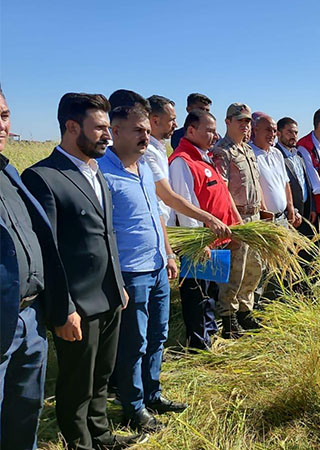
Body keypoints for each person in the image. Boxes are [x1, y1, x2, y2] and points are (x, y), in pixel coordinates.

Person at [22, 93, 142, 449]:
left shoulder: (95, 173)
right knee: (76, 382)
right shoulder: (43, 177)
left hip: (108, 296)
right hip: (77, 306)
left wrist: (118, 283)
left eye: (108, 128)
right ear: (72, 127)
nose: (108, 135)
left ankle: (102, 437)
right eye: (101, 128)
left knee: (102, 376)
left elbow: (108, 235)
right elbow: (49, 251)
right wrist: (64, 309)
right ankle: (80, 443)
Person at [98, 105, 187, 433]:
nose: (145, 137)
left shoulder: (145, 168)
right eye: (138, 130)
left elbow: (156, 216)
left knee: (157, 335)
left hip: (157, 266)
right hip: (131, 273)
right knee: (133, 341)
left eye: (147, 131)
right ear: (116, 131)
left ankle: (153, 393)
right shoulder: (103, 173)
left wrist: (168, 254)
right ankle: (133, 407)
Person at [0, 87, 70, 449]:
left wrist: (56, 308)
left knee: (24, 415)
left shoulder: (11, 175)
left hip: (30, 320)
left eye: (5, 116)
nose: (2, 125)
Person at [168, 110, 240, 349]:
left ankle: (210, 336)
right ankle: (199, 345)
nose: (214, 135)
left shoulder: (204, 157)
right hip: (199, 245)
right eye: (208, 130)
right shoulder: (182, 161)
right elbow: (184, 203)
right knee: (197, 296)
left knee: (210, 293)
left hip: (215, 241)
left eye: (214, 130)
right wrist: (199, 244)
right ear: (190, 130)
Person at [211, 103, 265, 337]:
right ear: (228, 122)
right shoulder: (222, 151)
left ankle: (245, 310)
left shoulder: (248, 150)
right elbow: (222, 190)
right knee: (235, 270)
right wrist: (235, 220)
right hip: (237, 218)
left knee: (254, 267)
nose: (245, 125)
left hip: (253, 216)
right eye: (240, 120)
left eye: (248, 121)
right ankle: (228, 319)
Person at [143, 95, 230, 238]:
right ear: (155, 120)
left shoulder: (159, 149)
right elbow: (169, 197)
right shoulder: (149, 153)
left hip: (167, 229)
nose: (176, 125)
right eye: (171, 120)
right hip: (159, 231)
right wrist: (208, 220)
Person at [250, 112, 296, 226]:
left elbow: (285, 183)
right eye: (268, 130)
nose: (272, 134)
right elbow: (256, 187)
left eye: (274, 131)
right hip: (265, 221)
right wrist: (265, 214)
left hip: (282, 218)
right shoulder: (249, 154)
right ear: (255, 130)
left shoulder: (277, 153)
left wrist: (291, 207)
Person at [276, 117, 315, 236]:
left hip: (305, 212)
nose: (293, 135)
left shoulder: (298, 155)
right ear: (278, 133)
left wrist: (312, 208)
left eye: (296, 132)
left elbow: (306, 183)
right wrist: (291, 211)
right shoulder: (275, 156)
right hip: (289, 215)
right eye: (289, 132)